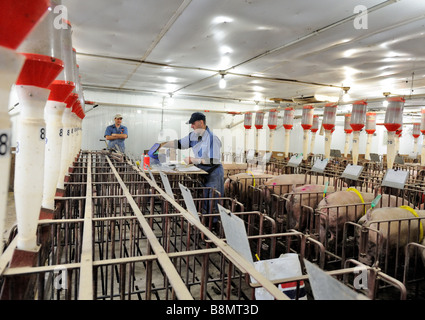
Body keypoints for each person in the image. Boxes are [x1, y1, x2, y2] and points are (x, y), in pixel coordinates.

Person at [159, 112, 224, 214]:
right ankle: (205, 222)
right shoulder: (193, 136)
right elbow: (179, 143)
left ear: (201, 122)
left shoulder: (212, 138)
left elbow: (213, 160)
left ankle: (214, 226)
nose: (192, 126)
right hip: (203, 172)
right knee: (204, 199)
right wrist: (162, 144)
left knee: (213, 201)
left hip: (214, 173)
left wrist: (193, 160)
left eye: (193, 123)